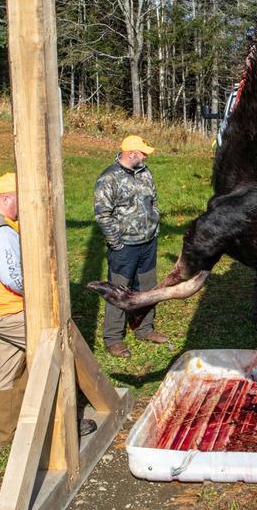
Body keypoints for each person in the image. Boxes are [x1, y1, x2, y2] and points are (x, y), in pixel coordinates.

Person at [0, 172, 96, 446]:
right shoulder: (0, 231)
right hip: (11, 311)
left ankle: (5, 435)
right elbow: (13, 276)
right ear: (5, 198)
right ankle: (62, 426)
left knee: (7, 369)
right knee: (57, 357)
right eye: (20, 201)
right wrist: (42, 294)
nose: (23, 207)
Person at [93, 135, 170, 358]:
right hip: (124, 247)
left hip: (148, 243)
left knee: (148, 287)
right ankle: (114, 338)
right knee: (118, 290)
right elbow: (102, 215)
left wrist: (154, 228)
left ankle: (145, 328)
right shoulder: (109, 178)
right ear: (131, 153)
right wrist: (116, 242)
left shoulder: (145, 173)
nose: (146, 156)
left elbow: (153, 201)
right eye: (143, 152)